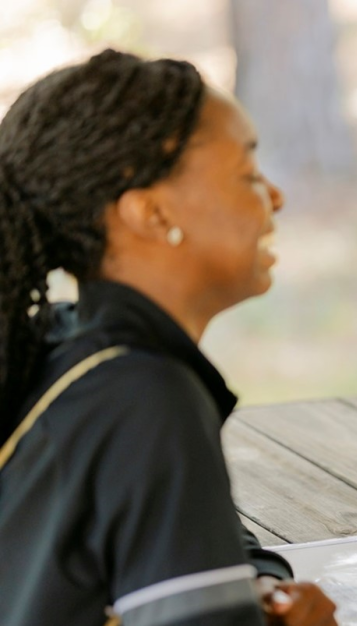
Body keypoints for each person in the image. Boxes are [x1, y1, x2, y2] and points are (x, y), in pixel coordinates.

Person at [0, 51, 337, 626]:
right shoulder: (143, 396)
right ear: (152, 214)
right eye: (249, 175)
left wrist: (257, 589)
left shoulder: (67, 348)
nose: (275, 198)